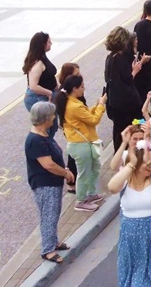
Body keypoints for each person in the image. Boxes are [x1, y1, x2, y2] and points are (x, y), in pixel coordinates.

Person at [107, 136, 151, 286]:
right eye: (145, 165)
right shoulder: (125, 180)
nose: (149, 168)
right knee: (136, 279)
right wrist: (131, 165)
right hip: (132, 239)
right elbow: (111, 187)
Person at [25, 102, 74, 264]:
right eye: (52, 115)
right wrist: (65, 172)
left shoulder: (43, 135)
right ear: (45, 118)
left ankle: (54, 241)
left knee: (53, 213)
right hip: (45, 184)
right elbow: (48, 165)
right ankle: (48, 249)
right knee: (49, 215)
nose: (54, 117)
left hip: (52, 182)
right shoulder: (36, 140)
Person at [56, 74, 107, 212]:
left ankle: (91, 194)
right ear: (75, 88)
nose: (84, 89)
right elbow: (93, 120)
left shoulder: (72, 103)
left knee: (94, 168)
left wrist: (97, 106)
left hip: (83, 143)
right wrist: (101, 105)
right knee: (84, 173)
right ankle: (81, 200)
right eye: (82, 86)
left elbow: (86, 115)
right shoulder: (74, 106)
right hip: (81, 145)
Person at [23, 32, 59, 135]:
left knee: (52, 126)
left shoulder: (42, 57)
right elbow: (33, 86)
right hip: (39, 97)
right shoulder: (37, 63)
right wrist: (49, 93)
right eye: (49, 42)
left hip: (46, 95)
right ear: (42, 44)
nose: (51, 43)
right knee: (46, 127)